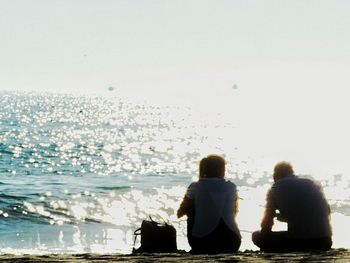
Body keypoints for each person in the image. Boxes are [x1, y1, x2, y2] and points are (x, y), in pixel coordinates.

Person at [252, 161, 332, 252]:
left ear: (275, 175)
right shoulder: (312, 183)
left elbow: (267, 223)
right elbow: (327, 211)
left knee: (256, 236)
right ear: (291, 172)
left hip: (298, 242)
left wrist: (264, 237)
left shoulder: (275, 188)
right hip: (325, 241)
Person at [177, 155, 241, 253]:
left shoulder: (195, 187)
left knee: (191, 209)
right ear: (222, 169)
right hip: (232, 242)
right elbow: (234, 212)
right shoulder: (231, 187)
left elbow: (180, 213)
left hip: (202, 243)